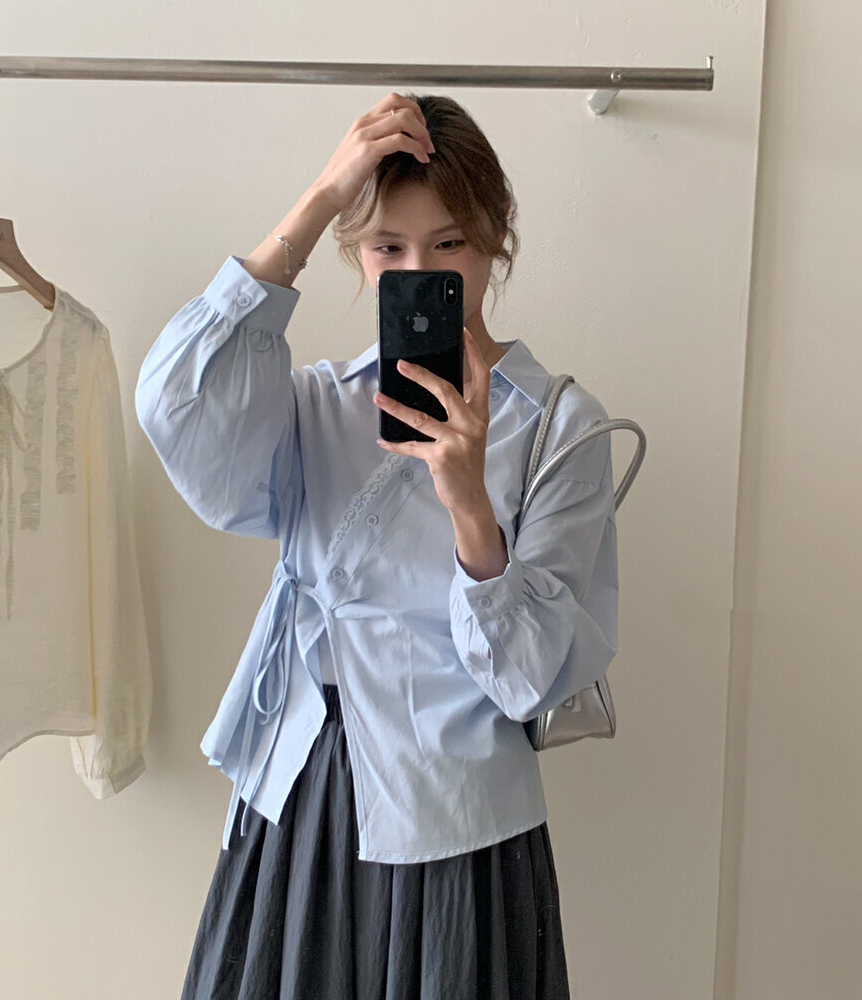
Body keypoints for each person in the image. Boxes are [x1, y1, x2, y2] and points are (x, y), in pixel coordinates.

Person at [136, 91, 619, 1000]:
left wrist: (470, 503)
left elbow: (531, 679)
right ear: (354, 253)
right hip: (302, 798)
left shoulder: (561, 428)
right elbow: (176, 405)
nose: (418, 271)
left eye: (450, 244)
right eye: (386, 248)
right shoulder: (315, 404)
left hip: (456, 822)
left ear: (497, 239)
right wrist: (321, 197)